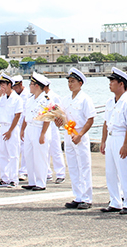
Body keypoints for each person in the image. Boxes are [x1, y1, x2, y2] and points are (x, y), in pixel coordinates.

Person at [100, 67, 127, 215]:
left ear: (121, 84)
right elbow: (105, 122)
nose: (110, 84)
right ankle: (115, 201)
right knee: (110, 171)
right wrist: (103, 141)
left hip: (122, 137)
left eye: (112, 81)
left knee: (125, 172)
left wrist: (126, 144)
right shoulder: (110, 102)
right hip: (111, 137)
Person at [59, 68, 96, 210]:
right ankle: (78, 195)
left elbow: (90, 119)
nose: (70, 84)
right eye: (69, 82)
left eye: (72, 81)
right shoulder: (66, 99)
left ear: (80, 83)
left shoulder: (85, 99)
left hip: (80, 135)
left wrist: (80, 135)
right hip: (69, 135)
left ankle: (87, 197)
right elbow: (63, 118)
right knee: (73, 166)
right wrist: (59, 121)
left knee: (84, 166)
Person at [0, 72, 23, 188]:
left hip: (12, 127)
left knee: (13, 154)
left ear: (9, 85)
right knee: (3, 154)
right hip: (3, 126)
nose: (2, 87)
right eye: (0, 85)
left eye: (3, 85)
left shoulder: (17, 99)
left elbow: (17, 116)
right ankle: (4, 178)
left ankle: (13, 179)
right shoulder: (2, 99)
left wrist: (10, 131)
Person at [21, 72, 53, 191]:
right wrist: (23, 130)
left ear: (37, 86)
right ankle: (32, 181)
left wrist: (43, 134)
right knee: (28, 155)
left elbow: (47, 118)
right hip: (30, 127)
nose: (29, 86)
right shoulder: (30, 99)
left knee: (40, 156)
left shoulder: (45, 100)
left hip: (39, 129)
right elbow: (26, 116)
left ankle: (41, 182)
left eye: (31, 84)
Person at [43, 82, 66, 184]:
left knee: (56, 150)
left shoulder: (55, 97)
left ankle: (60, 173)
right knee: (44, 150)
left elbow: (60, 112)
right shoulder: (39, 97)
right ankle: (47, 173)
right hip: (43, 124)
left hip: (53, 125)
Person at [12, 75, 29, 181]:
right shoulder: (15, 95)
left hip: (25, 124)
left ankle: (24, 171)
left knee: (24, 148)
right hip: (16, 124)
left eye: (16, 87)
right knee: (16, 148)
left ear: (21, 84)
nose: (14, 89)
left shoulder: (28, 95)